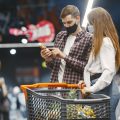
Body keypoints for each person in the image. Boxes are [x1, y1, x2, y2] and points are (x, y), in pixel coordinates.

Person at [78, 7, 120, 120]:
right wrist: (86, 82)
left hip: (103, 90)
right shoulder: (101, 42)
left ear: (98, 23)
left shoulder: (105, 42)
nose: (89, 27)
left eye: (91, 23)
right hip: (100, 87)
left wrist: (91, 89)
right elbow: (96, 68)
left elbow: (108, 71)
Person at [41, 5, 92, 84]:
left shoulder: (89, 39)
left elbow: (88, 68)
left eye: (69, 22)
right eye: (64, 23)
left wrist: (64, 56)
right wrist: (48, 58)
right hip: (54, 88)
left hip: (73, 90)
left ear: (78, 18)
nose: (66, 26)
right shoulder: (60, 36)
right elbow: (54, 66)